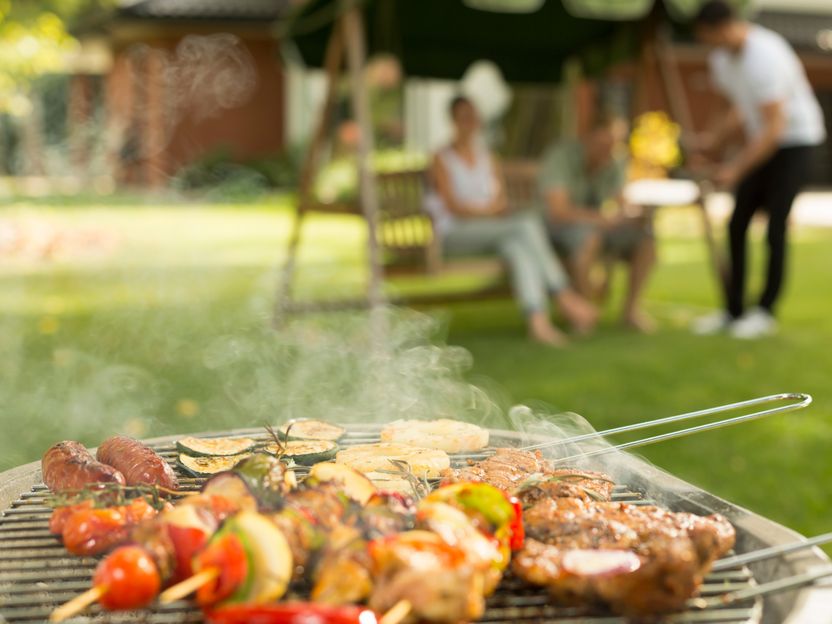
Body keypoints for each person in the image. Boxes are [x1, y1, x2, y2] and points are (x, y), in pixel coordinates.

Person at [690, 0, 826, 339]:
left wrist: (735, 168)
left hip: (795, 142)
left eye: (708, 37)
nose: (707, 44)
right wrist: (711, 143)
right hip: (761, 141)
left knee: (775, 227)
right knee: (737, 224)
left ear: (723, 28)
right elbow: (733, 108)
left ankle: (764, 311)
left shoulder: (766, 56)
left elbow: (774, 126)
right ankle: (733, 309)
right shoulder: (722, 59)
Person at [427, 95, 597, 346]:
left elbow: (501, 200)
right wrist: (487, 213)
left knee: (517, 248)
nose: (470, 121)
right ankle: (563, 294)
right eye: (464, 116)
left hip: (490, 231)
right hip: (454, 233)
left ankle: (537, 321)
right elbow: (453, 206)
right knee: (526, 224)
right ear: (453, 119)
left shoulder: (488, 157)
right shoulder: (441, 158)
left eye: (473, 116)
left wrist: (489, 212)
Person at [537, 113, 656, 332]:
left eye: (613, 145)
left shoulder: (613, 160)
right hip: (555, 228)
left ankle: (630, 311)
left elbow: (621, 201)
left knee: (646, 238)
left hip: (596, 228)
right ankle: (585, 311)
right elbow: (558, 211)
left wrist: (633, 214)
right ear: (588, 138)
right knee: (590, 238)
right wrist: (600, 218)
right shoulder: (561, 156)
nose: (608, 151)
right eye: (603, 145)